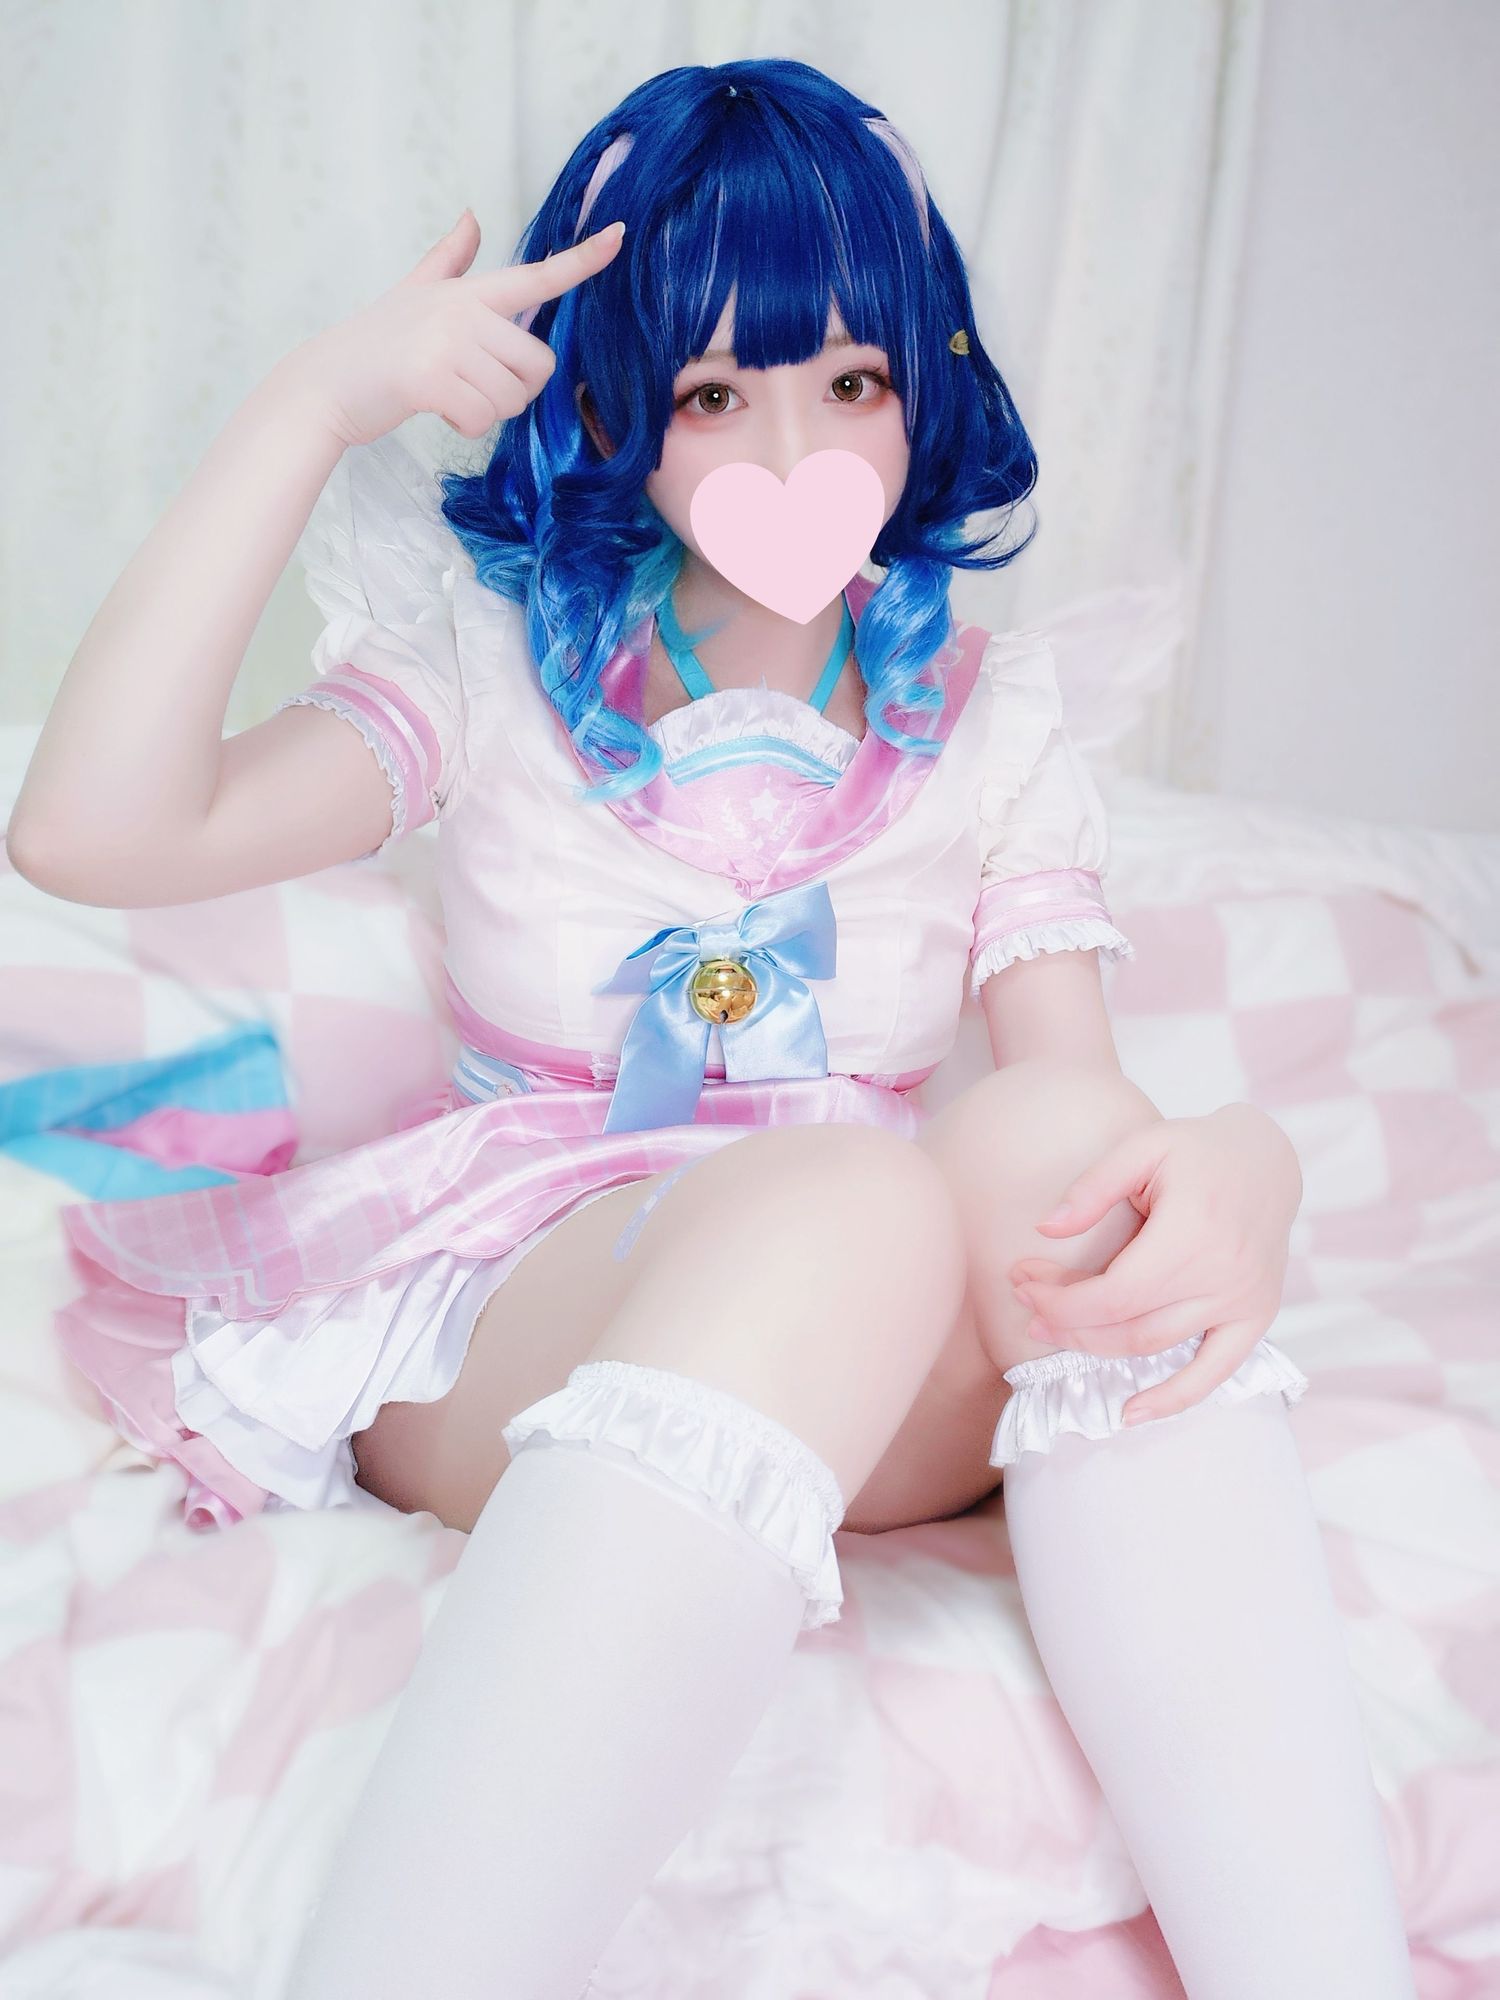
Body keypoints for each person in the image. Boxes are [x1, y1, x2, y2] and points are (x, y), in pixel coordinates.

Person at [11, 56, 1416, 2000]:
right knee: (853, 1197)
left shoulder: (989, 722)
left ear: (921, 388)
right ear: (617, 409)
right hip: (542, 1298)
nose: (796, 446)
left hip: (876, 1342)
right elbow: (91, 831)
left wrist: (1236, 1172)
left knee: (1037, 1161)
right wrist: (309, 404)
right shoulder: (494, 677)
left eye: (850, 380)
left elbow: (1082, 1132)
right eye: (715, 393)